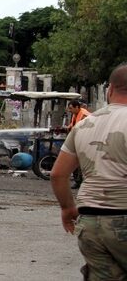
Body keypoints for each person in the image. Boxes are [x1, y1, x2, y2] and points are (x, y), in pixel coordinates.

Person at [51, 63, 127, 280]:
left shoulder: (84, 125)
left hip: (90, 223)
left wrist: (67, 208)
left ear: (110, 89)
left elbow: (58, 174)